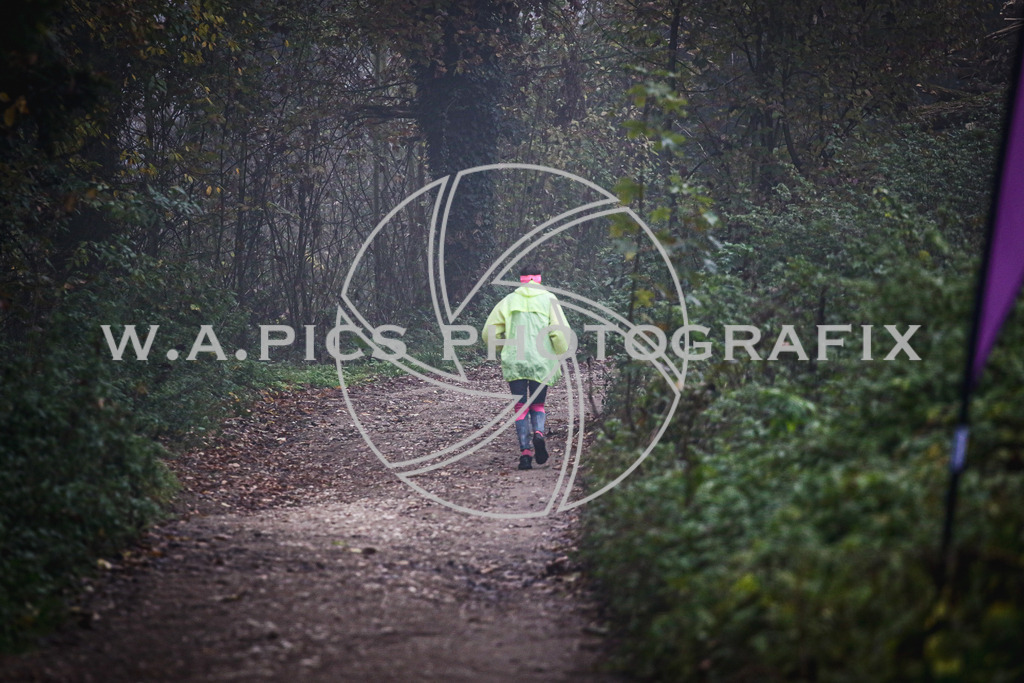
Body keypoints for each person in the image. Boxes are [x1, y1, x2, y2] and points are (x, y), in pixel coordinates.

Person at [482, 265, 570, 470]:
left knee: (520, 406)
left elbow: (489, 332)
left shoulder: (508, 301)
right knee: (538, 405)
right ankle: (539, 433)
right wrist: (559, 352)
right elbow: (559, 333)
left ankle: (525, 454)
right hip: (541, 361)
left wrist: (504, 345)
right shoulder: (549, 300)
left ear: (520, 280)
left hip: (516, 360)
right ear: (539, 279)